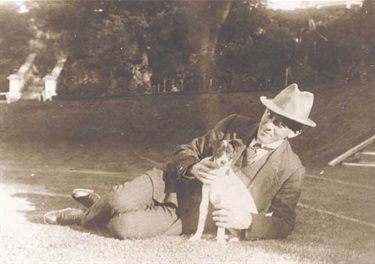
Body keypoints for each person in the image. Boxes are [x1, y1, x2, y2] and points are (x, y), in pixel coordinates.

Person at [44, 83, 316, 240]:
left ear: (295, 132)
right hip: (169, 181)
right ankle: (85, 214)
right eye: (269, 116)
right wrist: (195, 166)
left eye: (280, 124)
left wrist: (247, 221)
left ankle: (94, 206)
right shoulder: (234, 123)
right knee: (116, 202)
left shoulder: (292, 169)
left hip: (188, 215)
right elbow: (187, 149)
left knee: (122, 228)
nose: (268, 126)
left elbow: (284, 221)